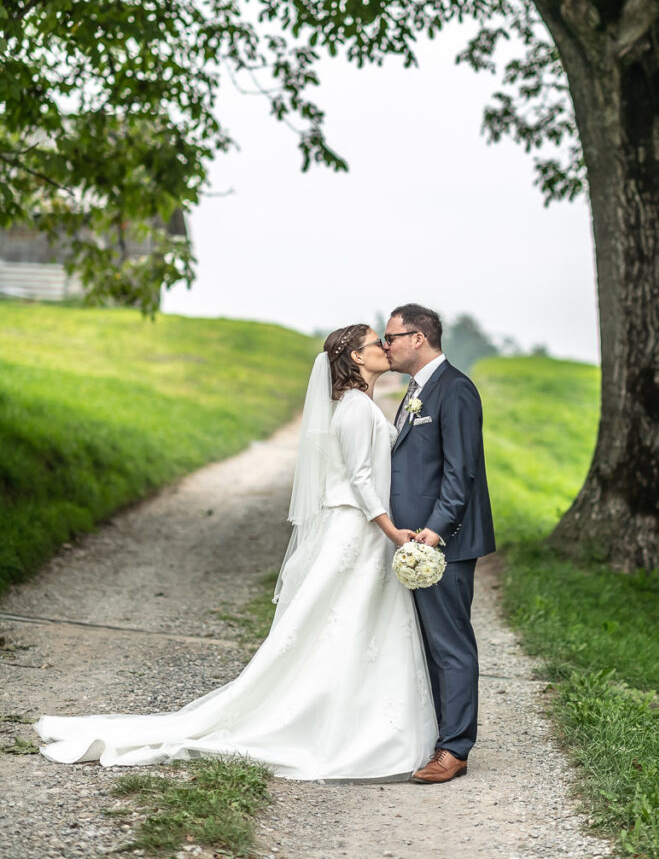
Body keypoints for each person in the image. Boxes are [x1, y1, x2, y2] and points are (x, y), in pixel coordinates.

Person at [36, 324, 437, 780]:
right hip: (359, 530)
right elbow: (361, 480)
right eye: (374, 344)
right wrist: (393, 532)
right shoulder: (355, 408)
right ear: (357, 358)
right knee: (340, 626)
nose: (384, 348)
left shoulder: (354, 405)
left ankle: (361, 721)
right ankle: (337, 726)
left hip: (358, 531)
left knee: (351, 625)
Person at [386, 304, 495, 784]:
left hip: (441, 541)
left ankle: (455, 749)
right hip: (415, 542)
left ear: (418, 338)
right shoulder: (414, 391)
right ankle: (437, 736)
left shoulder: (456, 389)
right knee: (427, 644)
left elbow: (461, 469)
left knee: (450, 644)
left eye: (391, 337)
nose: (386, 346)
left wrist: (435, 529)